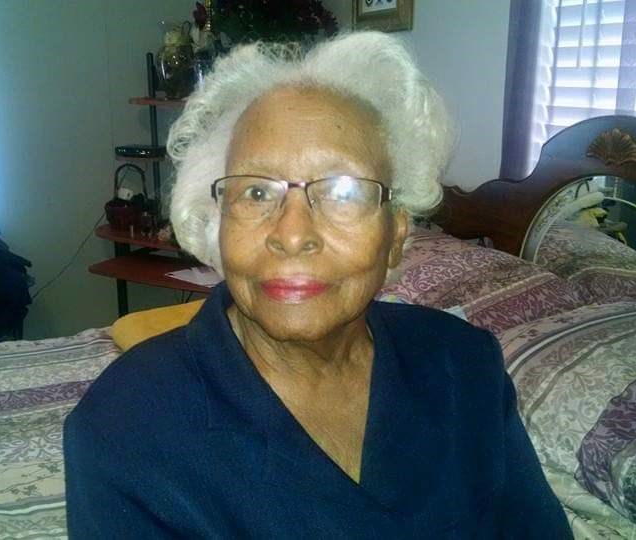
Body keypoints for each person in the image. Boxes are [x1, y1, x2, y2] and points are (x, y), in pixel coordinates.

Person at [64, 32, 572, 539]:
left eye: (343, 191)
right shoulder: (122, 427)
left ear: (396, 237)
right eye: (257, 192)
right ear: (217, 224)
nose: (292, 234)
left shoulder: (465, 365)